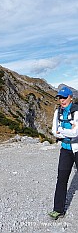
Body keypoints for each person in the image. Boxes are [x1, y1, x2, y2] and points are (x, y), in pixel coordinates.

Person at [49, 86, 78, 220]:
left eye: (64, 97)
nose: (62, 100)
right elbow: (54, 131)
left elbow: (76, 132)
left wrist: (62, 130)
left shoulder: (76, 111)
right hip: (65, 149)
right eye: (60, 97)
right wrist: (65, 130)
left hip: (77, 148)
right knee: (61, 179)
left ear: (71, 97)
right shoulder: (57, 112)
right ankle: (58, 210)